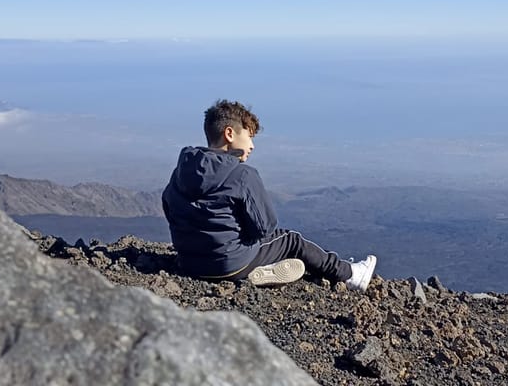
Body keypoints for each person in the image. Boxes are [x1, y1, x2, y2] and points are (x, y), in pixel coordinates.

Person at [161, 99, 377, 290]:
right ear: (229, 133)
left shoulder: (181, 170)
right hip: (228, 265)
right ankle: (350, 275)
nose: (252, 145)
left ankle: (262, 268)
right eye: (248, 136)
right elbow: (265, 227)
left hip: (188, 264)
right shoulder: (242, 174)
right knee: (291, 240)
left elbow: (169, 207)